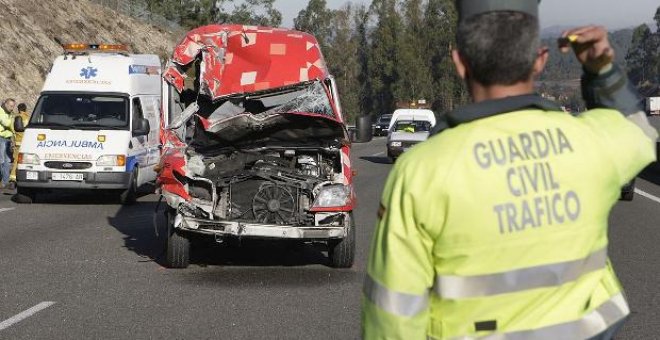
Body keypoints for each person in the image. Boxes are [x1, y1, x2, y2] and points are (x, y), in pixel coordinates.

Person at [361, 1, 658, 339]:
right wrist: (602, 70)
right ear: (541, 60)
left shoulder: (420, 171)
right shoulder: (591, 141)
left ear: (460, 62)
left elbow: (393, 318)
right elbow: (638, 133)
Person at [10, 103, 29, 185]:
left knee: (16, 161)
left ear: (19, 109)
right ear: (25, 109)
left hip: (19, 142)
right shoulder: (28, 117)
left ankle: (12, 179)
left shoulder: (18, 117)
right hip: (27, 142)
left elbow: (17, 129)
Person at [0, 99, 15, 189]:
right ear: (5, 104)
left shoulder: (10, 113)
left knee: (8, 162)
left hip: (8, 139)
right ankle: (3, 179)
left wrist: (13, 137)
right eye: (10, 106)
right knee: (1, 161)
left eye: (13, 106)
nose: (12, 108)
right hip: (1, 138)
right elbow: (6, 122)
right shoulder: (1, 111)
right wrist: (12, 125)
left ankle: (5, 182)